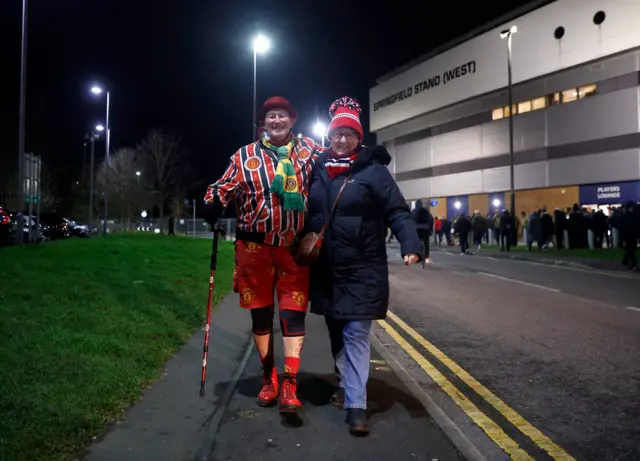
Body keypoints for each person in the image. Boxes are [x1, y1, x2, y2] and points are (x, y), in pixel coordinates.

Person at [305, 96, 421, 435]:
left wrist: (410, 243)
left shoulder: (373, 170)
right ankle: (343, 382)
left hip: (363, 266)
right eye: (337, 134)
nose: (342, 140)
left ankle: (357, 403)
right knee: (336, 330)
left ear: (359, 139)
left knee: (356, 332)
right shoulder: (317, 168)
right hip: (327, 267)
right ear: (329, 136)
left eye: (349, 135)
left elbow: (397, 210)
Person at [203, 96, 322, 413]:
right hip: (253, 249)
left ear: (292, 120)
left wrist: (364, 159)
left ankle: (289, 383)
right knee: (261, 313)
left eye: (283, 115)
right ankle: (268, 376)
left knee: (293, 313)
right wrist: (213, 202)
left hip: (292, 249)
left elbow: (339, 158)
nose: (277, 120)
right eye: (271, 116)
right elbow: (221, 186)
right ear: (263, 123)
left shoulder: (308, 150)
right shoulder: (244, 156)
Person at [412, 199, 433, 266]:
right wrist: (430, 228)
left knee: (416, 243)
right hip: (426, 228)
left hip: (417, 229)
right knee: (426, 243)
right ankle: (426, 256)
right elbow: (431, 219)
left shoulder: (413, 211)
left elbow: (410, 220)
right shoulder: (426, 211)